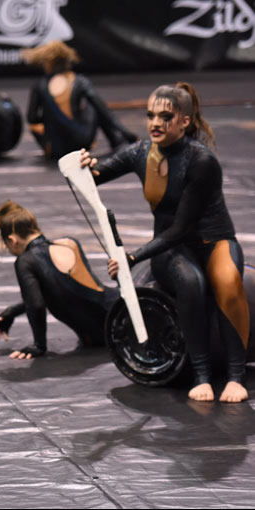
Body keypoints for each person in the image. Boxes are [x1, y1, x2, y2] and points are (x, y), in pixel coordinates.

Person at [81, 82, 249, 403]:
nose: (155, 123)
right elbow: (96, 176)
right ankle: (200, 374)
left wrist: (132, 257)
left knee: (228, 281)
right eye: (150, 115)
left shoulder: (201, 161)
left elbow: (182, 227)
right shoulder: (140, 152)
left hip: (212, 240)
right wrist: (84, 166)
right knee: (191, 282)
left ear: (185, 121)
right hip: (172, 249)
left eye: (165, 116)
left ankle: (236, 376)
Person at [0, 201, 119, 359]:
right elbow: (64, 292)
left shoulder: (26, 261)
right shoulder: (69, 243)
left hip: (107, 336)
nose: (10, 251)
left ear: (12, 240)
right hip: (121, 309)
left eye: (7, 247)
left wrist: (39, 346)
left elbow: (36, 305)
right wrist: (12, 312)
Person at [22, 40, 137, 159]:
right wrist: (126, 133)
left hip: (55, 149)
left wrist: (48, 116)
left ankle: (50, 145)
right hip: (80, 146)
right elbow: (103, 110)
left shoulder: (40, 85)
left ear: (48, 63)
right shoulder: (79, 81)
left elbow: (32, 118)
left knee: (37, 127)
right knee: (93, 105)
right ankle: (115, 141)